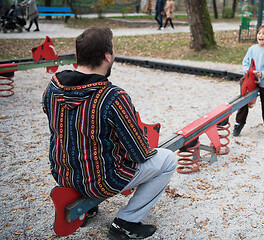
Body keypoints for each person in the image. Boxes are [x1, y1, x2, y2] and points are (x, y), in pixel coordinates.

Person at [42, 27, 177, 240]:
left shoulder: (53, 88)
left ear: (78, 56)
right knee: (167, 159)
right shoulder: (112, 97)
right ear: (107, 56)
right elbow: (139, 152)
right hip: (102, 180)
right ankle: (126, 222)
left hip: (63, 174)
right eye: (113, 51)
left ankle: (85, 206)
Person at [233, 25, 264, 140]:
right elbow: (246, 62)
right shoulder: (252, 49)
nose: (260, 36)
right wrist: (247, 70)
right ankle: (239, 123)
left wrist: (262, 74)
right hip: (251, 79)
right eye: (259, 33)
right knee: (243, 100)